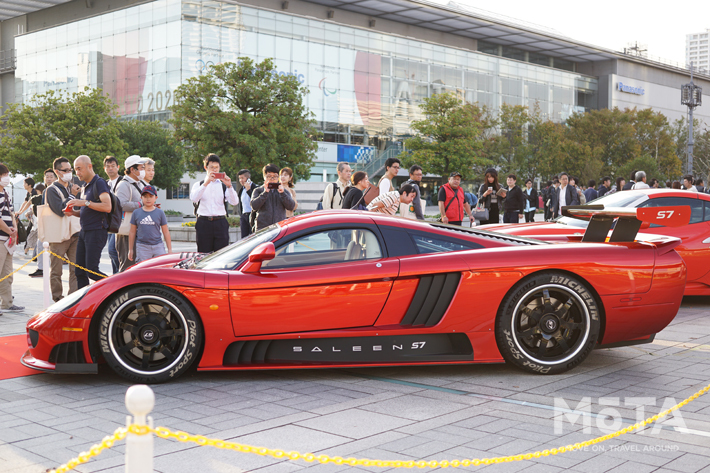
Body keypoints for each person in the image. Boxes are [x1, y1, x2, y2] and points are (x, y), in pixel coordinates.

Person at [64, 156, 112, 289]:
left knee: (92, 271)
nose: (77, 173)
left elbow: (107, 206)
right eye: (75, 170)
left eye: (79, 169)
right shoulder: (84, 186)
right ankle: (83, 304)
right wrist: (73, 212)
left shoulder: (99, 182)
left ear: (89, 167)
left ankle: (116, 287)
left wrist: (84, 202)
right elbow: (88, 211)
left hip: (97, 230)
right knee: (79, 271)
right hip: (84, 231)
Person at [45, 157, 80, 302]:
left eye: (70, 170)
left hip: (75, 233)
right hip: (58, 235)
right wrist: (72, 195)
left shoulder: (72, 186)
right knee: (56, 270)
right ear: (57, 171)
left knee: (76, 269)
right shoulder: (51, 190)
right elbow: (60, 210)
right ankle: (57, 299)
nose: (69, 173)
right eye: (65, 170)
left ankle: (73, 298)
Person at [189, 153, 239, 253]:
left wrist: (229, 186)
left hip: (220, 222)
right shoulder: (198, 184)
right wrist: (206, 183)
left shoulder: (223, 185)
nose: (214, 170)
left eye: (216, 167)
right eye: (211, 167)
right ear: (205, 167)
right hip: (204, 222)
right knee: (203, 254)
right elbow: (194, 198)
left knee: (222, 255)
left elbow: (234, 202)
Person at [116, 155, 148, 270]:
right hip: (127, 232)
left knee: (139, 266)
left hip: (140, 230)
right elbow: (120, 204)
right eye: (141, 167)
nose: (143, 170)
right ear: (132, 169)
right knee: (127, 265)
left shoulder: (141, 183)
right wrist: (140, 204)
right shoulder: (124, 184)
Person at [0, 163, 24, 313]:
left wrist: (13, 231)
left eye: (7, 174)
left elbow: (11, 213)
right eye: (3, 175)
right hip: (1, 238)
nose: (6, 178)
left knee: (7, 273)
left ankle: (7, 302)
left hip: (7, 239)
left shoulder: (6, 193)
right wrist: (9, 231)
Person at [128, 186, 171, 263]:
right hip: (142, 247)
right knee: (143, 270)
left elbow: (166, 232)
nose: (148, 199)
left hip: (158, 246)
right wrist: (130, 249)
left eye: (151, 196)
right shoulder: (136, 212)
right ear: (141, 197)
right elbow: (132, 232)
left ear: (156, 197)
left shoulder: (160, 213)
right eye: (145, 196)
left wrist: (170, 249)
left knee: (160, 267)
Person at [251, 164, 296, 230]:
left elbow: (291, 206)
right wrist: (265, 193)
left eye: (275, 177)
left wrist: (282, 193)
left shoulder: (283, 191)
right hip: (262, 228)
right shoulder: (258, 190)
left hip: (279, 228)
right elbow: (254, 206)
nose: (272, 179)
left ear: (278, 178)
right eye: (269, 176)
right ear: (264, 177)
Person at [103, 155, 123, 274]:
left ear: (118, 167)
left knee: (113, 250)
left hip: (121, 221)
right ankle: (115, 275)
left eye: (113, 166)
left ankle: (119, 274)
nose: (110, 169)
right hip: (108, 222)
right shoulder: (104, 184)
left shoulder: (123, 182)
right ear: (104, 169)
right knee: (112, 253)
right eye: (108, 166)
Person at [237, 169, 254, 239]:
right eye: (239, 178)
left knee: (252, 237)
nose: (241, 180)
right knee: (244, 238)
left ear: (248, 178)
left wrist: (249, 190)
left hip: (252, 216)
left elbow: (255, 200)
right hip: (244, 216)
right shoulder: (241, 190)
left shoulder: (256, 188)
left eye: (242, 178)